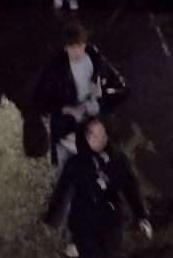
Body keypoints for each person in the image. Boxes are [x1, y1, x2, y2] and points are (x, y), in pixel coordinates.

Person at [42, 116, 152, 258]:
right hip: (83, 220)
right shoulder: (75, 164)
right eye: (93, 134)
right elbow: (62, 191)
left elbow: (130, 188)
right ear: (84, 136)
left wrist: (141, 216)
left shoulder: (117, 160)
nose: (100, 138)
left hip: (110, 219)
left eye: (102, 133)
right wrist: (51, 218)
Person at [32, 22, 129, 173]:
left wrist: (102, 92)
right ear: (65, 47)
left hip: (96, 124)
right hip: (68, 130)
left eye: (80, 46)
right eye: (72, 47)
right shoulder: (56, 69)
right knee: (69, 173)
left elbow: (122, 88)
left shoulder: (95, 57)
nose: (77, 52)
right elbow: (39, 100)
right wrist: (68, 109)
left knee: (102, 168)